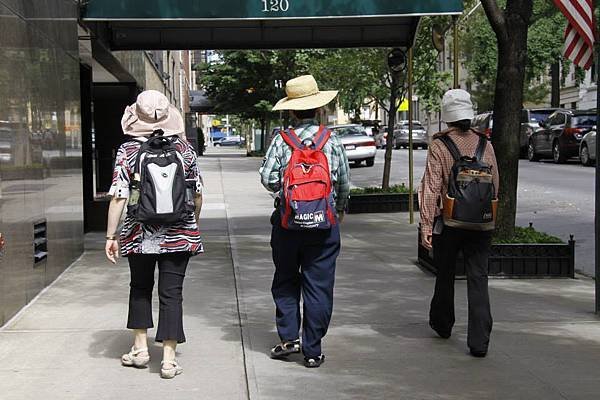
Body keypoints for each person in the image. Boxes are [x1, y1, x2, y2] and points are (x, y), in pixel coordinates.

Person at [105, 90, 204, 379]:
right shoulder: (185, 151)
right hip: (180, 233)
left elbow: (119, 196)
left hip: (138, 234)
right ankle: (169, 360)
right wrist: (191, 224)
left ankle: (140, 350)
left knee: (140, 287)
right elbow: (197, 194)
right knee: (172, 294)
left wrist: (111, 236)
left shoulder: (128, 152)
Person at [259, 75, 350, 368]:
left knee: (286, 279)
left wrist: (288, 192)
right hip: (324, 224)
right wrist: (339, 208)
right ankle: (312, 350)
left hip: (288, 223)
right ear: (319, 108)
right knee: (319, 285)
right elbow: (344, 182)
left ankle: (289, 339)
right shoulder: (332, 140)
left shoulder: (282, 140)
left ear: (291, 111)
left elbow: (267, 177)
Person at [419, 89, 499, 358]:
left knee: (445, 274)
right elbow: (496, 185)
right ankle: (479, 341)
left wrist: (426, 225)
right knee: (479, 279)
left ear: (447, 117)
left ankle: (442, 323)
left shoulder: (439, 145)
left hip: (450, 222)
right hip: (481, 225)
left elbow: (431, 188)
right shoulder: (485, 145)